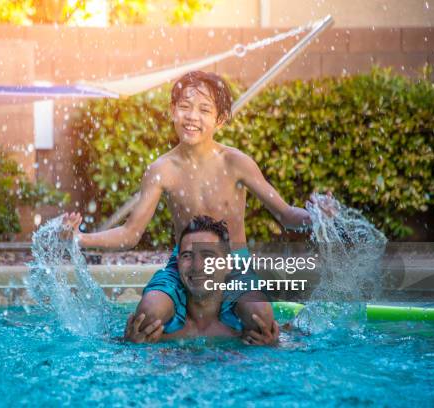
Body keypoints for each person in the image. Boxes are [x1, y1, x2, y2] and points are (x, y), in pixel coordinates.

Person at [62, 70, 334, 343]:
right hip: (185, 266)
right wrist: (80, 238)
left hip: (233, 265)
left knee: (260, 317)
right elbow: (131, 233)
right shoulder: (162, 170)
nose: (192, 116)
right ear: (172, 111)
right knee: (148, 314)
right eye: (184, 107)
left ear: (221, 119)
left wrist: (316, 217)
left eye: (204, 109)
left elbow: (286, 215)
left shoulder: (236, 163)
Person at [124, 215, 280, 343]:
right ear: (177, 262)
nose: (197, 267)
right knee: (147, 313)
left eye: (208, 256)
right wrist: (129, 343)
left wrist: (273, 345)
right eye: (187, 256)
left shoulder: (243, 329)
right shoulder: (159, 330)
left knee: (261, 314)